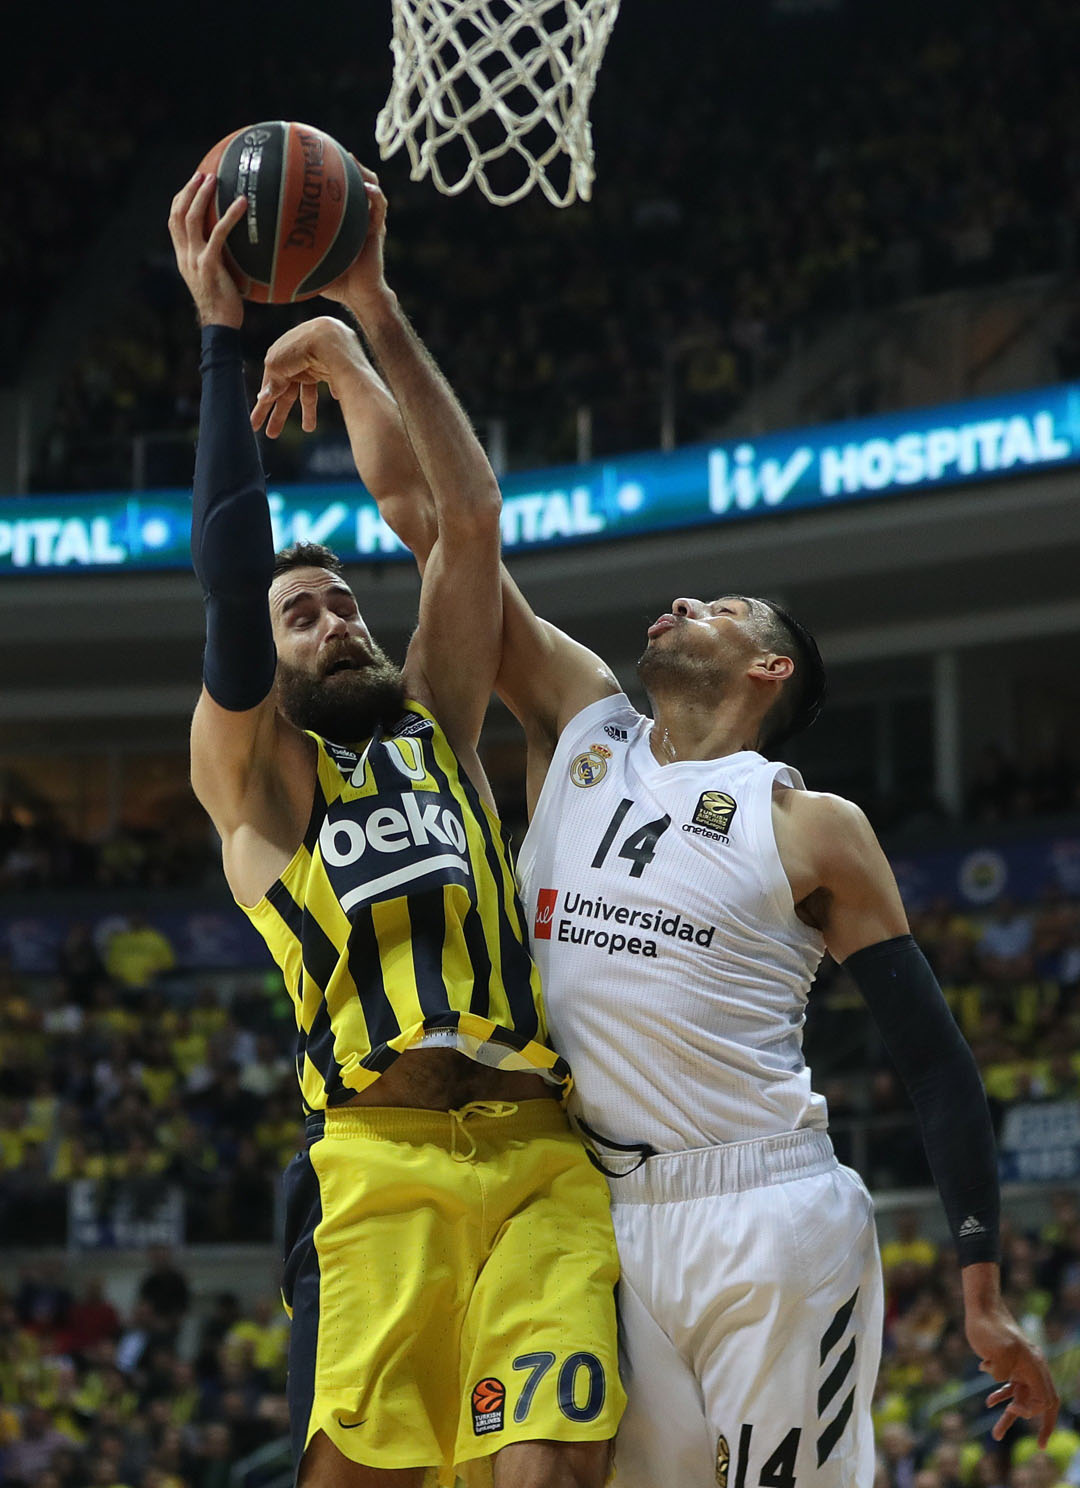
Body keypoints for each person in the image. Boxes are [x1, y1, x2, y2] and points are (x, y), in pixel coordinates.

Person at [254, 314, 1060, 1487]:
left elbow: (932, 1059)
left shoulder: (811, 824)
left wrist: (980, 1285)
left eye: (721, 609)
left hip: (764, 1205)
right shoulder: (582, 724)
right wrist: (357, 337)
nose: (684, 602)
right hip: (596, 1211)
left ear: (769, 668)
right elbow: (439, 524)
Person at [166, 167, 624, 1488]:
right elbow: (229, 592)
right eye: (303, 614)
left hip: (541, 1161)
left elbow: (465, 522)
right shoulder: (259, 788)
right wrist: (221, 340)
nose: (338, 620)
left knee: (547, 1473)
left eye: (344, 603)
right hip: (378, 1166)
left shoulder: (437, 723)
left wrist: (369, 306)